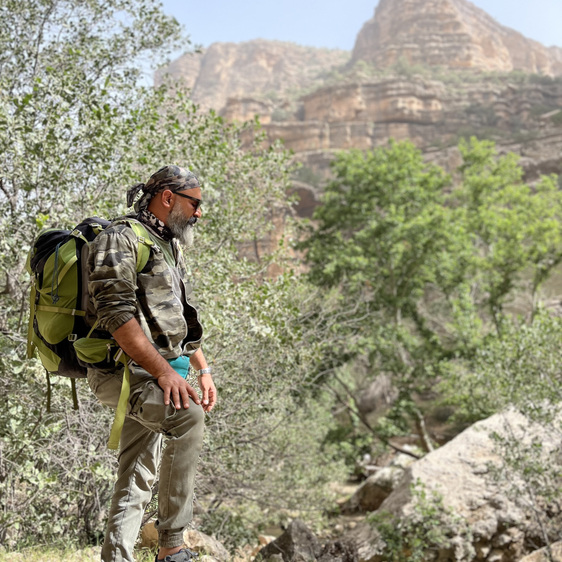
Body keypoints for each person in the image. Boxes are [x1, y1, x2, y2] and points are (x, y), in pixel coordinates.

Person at [86, 165, 217, 562]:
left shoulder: (165, 243)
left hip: (155, 375)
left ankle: (116, 557)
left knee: (137, 473)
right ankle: (172, 548)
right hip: (124, 373)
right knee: (187, 417)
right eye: (195, 203)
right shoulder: (120, 238)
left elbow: (175, 317)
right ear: (167, 198)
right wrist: (164, 373)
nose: (199, 213)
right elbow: (115, 316)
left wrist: (202, 368)